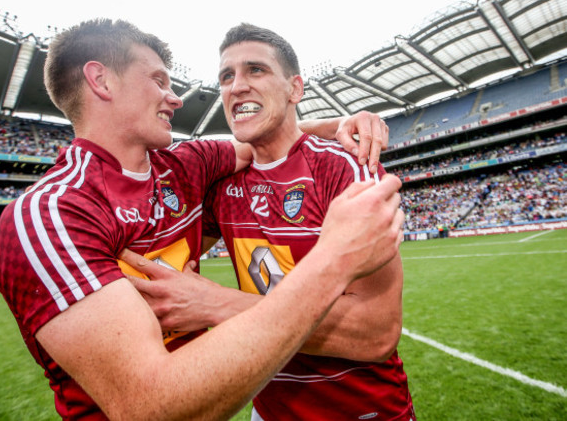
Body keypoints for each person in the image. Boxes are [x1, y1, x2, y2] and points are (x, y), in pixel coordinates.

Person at [0, 18, 403, 420]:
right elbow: (149, 405)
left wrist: (338, 125)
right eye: (158, 80)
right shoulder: (51, 213)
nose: (176, 98)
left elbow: (270, 142)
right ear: (101, 81)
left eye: (254, 69)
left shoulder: (190, 167)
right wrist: (333, 258)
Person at [131, 24, 415, 420]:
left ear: (295, 89)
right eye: (227, 77)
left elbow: (376, 333)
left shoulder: (344, 168)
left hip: (360, 410)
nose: (237, 86)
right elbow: (166, 264)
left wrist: (217, 304)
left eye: (256, 70)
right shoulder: (223, 186)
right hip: (267, 409)